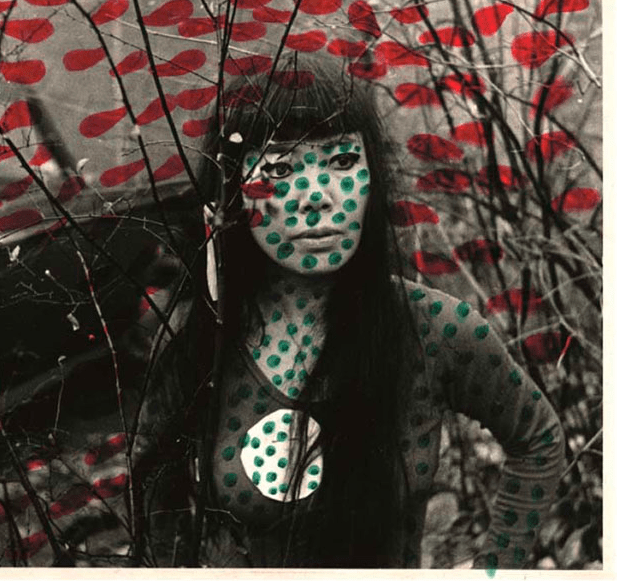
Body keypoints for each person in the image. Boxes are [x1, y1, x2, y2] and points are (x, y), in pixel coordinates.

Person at [131, 52, 565, 569]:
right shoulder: (200, 341)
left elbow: (538, 439)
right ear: (231, 200)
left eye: (340, 162)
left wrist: (497, 568)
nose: (316, 196)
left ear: (371, 178)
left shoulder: (433, 328)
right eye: (279, 169)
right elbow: (154, 503)